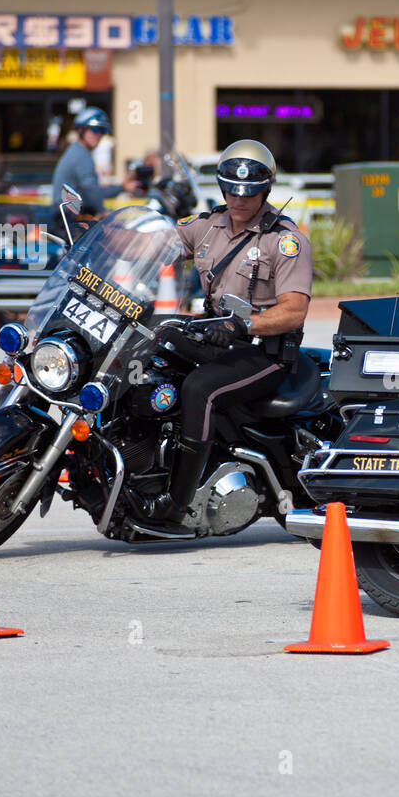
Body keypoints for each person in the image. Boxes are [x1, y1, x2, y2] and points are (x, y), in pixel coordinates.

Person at [131, 139, 313, 534]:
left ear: (266, 190)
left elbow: (294, 310)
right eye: (231, 189)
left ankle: (175, 503)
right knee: (145, 346)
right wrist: (94, 234)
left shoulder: (284, 240)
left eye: (249, 192)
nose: (239, 199)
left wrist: (241, 325)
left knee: (200, 389)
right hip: (216, 341)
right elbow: (150, 247)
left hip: (264, 353)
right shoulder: (207, 226)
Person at [50, 107, 112, 223]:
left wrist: (122, 187)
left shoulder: (77, 151)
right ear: (80, 130)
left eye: (102, 131)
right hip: (70, 219)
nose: (99, 135)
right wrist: (103, 210)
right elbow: (90, 188)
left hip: (72, 215)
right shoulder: (81, 155)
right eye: (94, 130)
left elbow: (95, 190)